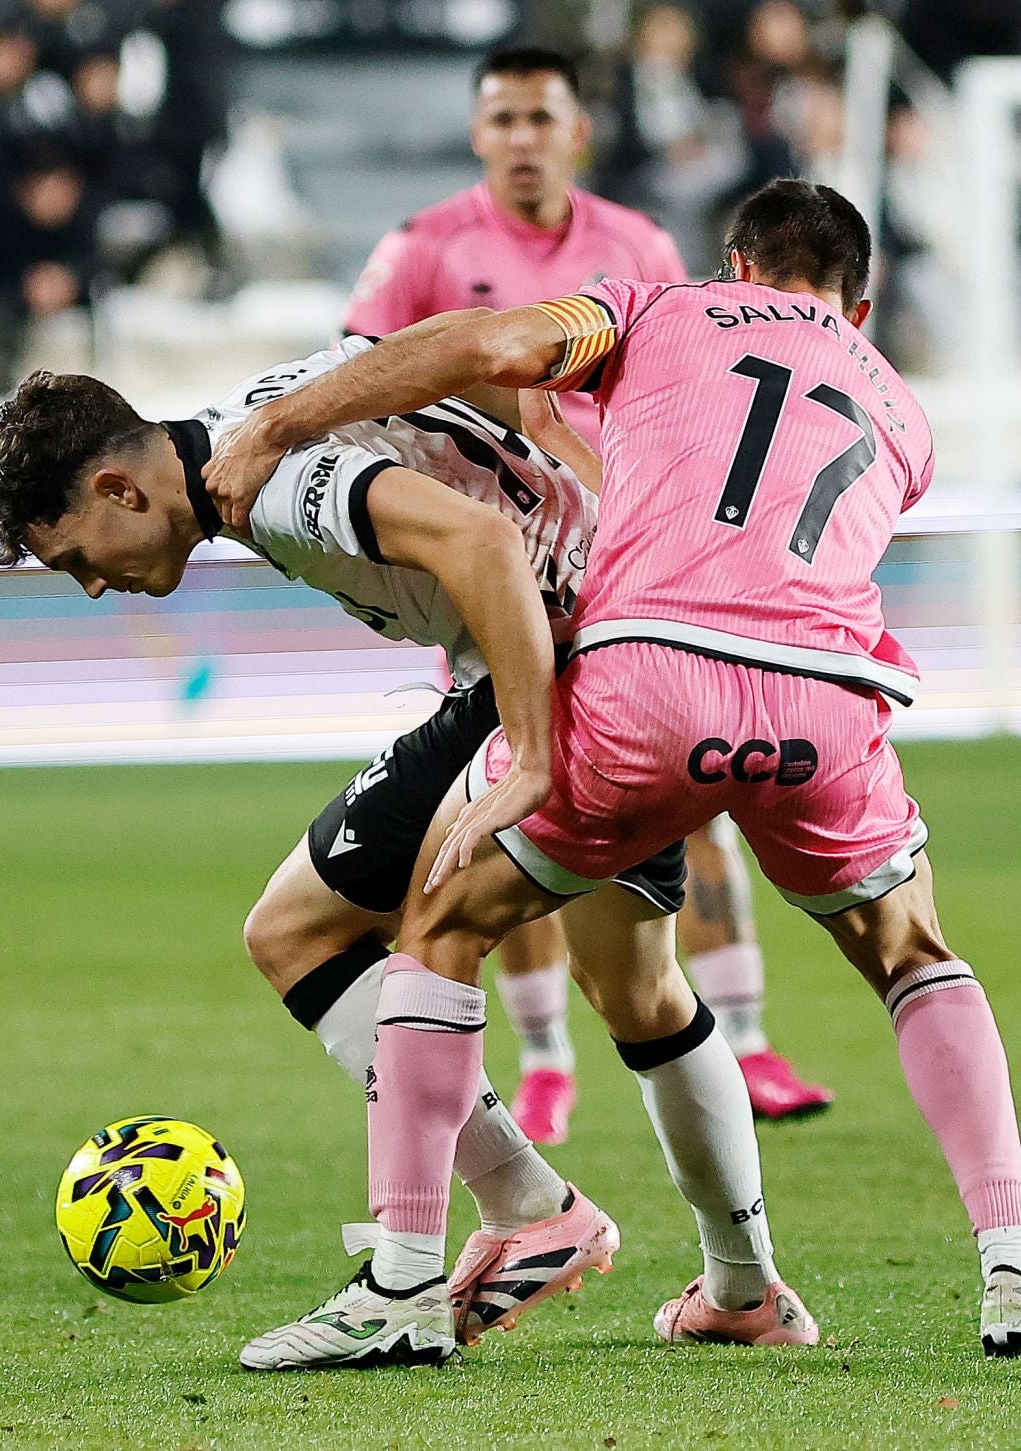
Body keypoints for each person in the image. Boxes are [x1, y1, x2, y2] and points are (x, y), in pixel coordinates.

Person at [206, 179, 1021, 1360]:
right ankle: (1016, 1275)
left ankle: (401, 1285)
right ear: (865, 302)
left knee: (441, 915)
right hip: (824, 699)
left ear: (735, 265)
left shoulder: (658, 309)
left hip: (648, 681)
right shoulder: (902, 410)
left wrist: (278, 426)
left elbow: (488, 345)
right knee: (912, 953)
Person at [0, 352, 815, 1370]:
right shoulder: (264, 414)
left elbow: (482, 538)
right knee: (638, 988)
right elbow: (452, 373)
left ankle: (435, 1262)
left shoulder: (277, 485)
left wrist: (531, 750)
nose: (95, 586)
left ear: (120, 488)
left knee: (300, 929)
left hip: (565, 663)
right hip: (648, 646)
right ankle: (743, 1285)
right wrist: (574, 471)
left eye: (77, 558)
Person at [346, 44, 831, 1135]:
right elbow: (358, 376)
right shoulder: (424, 248)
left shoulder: (637, 246)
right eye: (503, 118)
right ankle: (547, 1054)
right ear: (480, 135)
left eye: (539, 117)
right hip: (499, 563)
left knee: (693, 783)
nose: (522, 137)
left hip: (630, 555)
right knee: (515, 783)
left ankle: (748, 1038)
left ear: (577, 132)